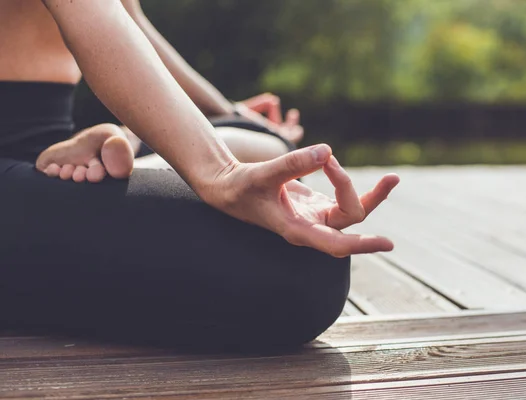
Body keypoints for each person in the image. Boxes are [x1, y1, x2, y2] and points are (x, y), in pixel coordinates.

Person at [0, 0, 400, 351]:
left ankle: (127, 153)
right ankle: (135, 156)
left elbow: (125, 19)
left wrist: (227, 113)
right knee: (295, 272)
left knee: (273, 160)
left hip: (38, 143)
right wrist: (219, 172)